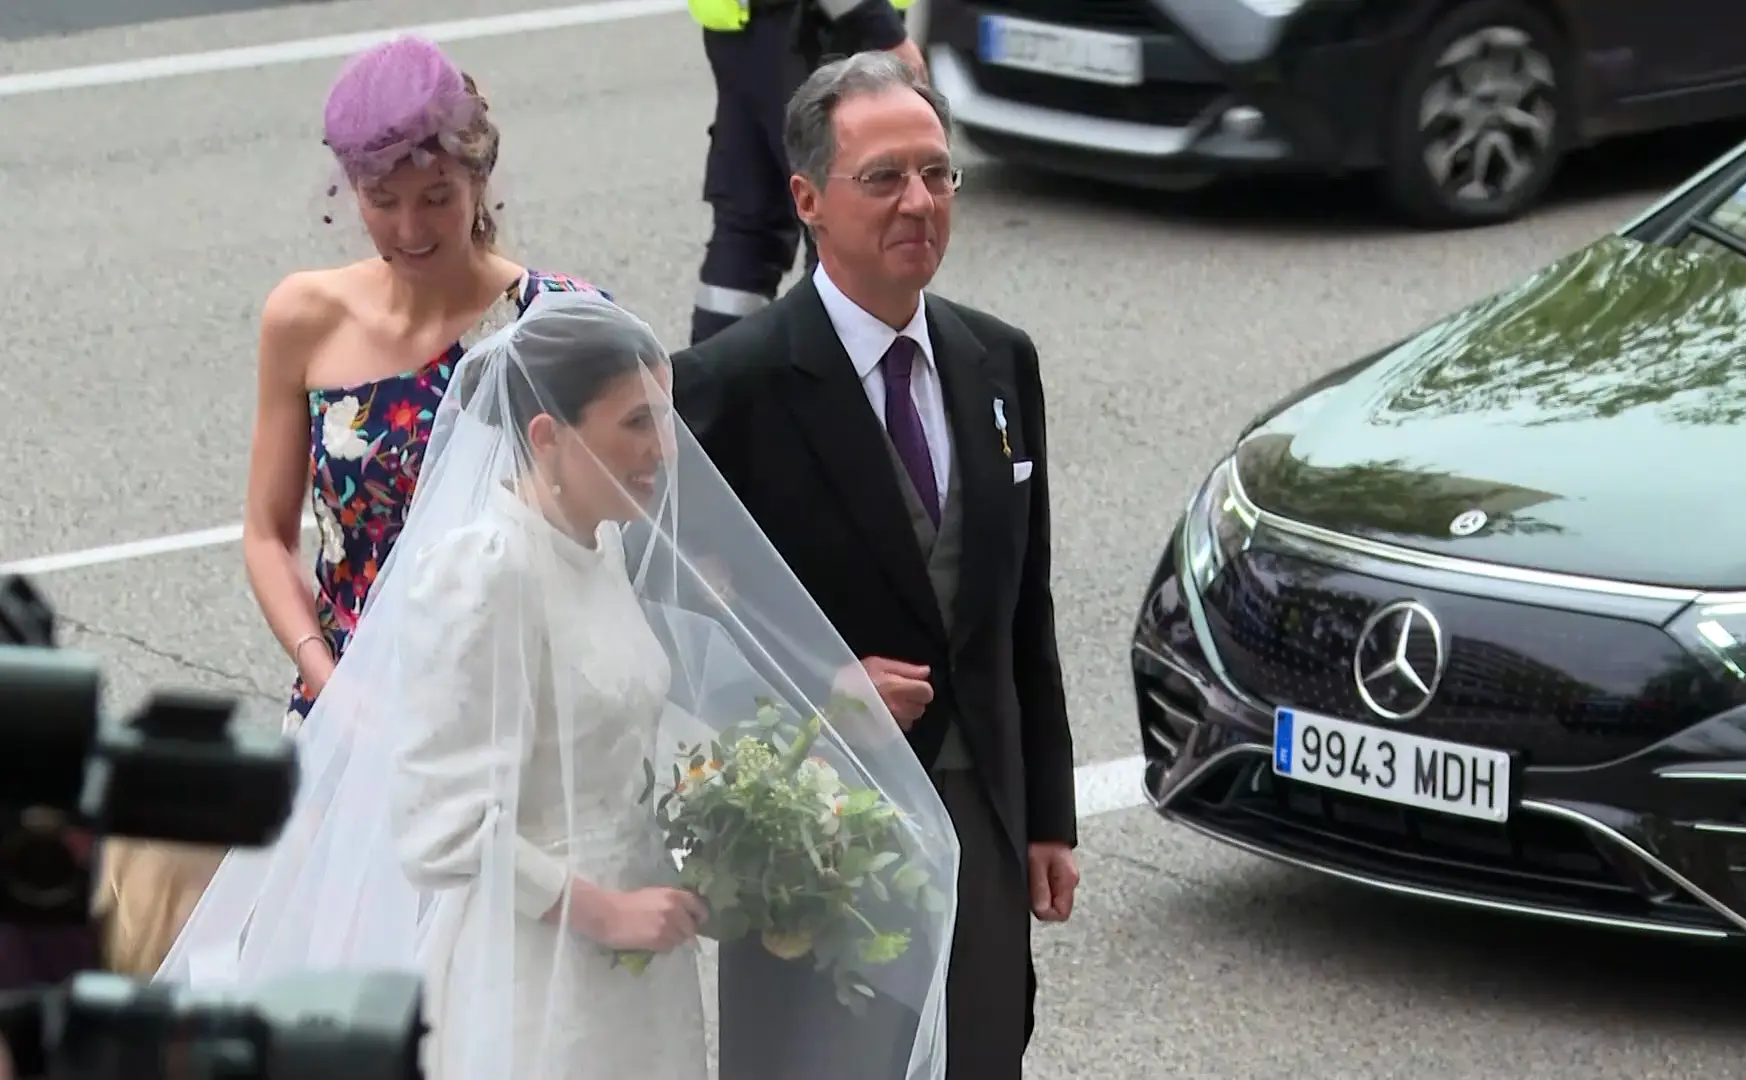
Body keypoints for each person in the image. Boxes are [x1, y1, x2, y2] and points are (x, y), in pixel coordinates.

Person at [154, 291, 960, 1080]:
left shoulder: (597, 547)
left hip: (638, 955)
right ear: (549, 436)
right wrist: (603, 911)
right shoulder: (483, 574)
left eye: (664, 420)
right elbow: (440, 826)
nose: (666, 450)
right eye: (636, 424)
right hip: (536, 968)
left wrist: (765, 803)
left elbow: (622, 730)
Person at [92, 35, 608, 983]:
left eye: (436, 199)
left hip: (498, 722)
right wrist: (328, 681)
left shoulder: (555, 325)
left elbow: (612, 535)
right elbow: (265, 533)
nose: (410, 229)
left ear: (478, 178)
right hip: (345, 715)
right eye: (384, 202)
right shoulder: (304, 318)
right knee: (327, 980)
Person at [673, 50, 1080, 1080]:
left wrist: (1046, 818)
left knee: (981, 1050)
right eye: (885, 178)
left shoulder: (1001, 362)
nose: (920, 203)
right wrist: (822, 696)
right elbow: (670, 620)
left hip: (977, 814)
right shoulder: (734, 385)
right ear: (807, 199)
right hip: (817, 822)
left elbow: (1022, 609)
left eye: (938, 174)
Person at [688, 0, 925, 345]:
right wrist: (880, 25)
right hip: (823, 27)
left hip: (743, 31)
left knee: (751, 225)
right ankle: (830, 383)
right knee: (843, 227)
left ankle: (713, 384)